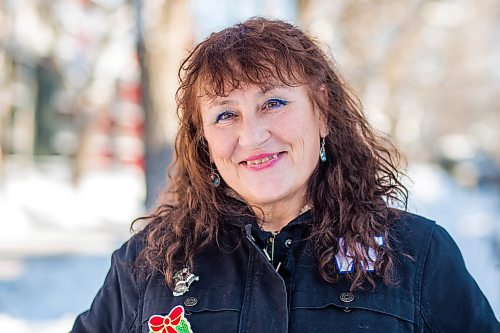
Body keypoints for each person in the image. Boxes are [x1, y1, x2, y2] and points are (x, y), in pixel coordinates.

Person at [72, 17, 499, 332]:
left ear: (323, 112)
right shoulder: (148, 264)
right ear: (203, 141)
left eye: (273, 103)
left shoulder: (417, 256)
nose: (252, 136)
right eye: (225, 114)